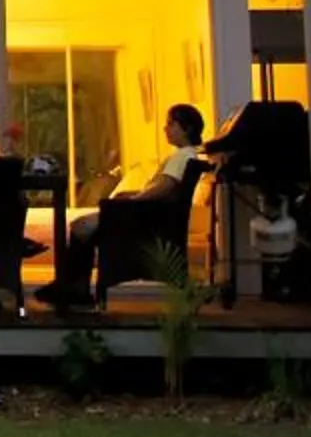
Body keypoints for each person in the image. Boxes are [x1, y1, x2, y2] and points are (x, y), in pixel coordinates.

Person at [39, 103, 205, 307]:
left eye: (171, 124)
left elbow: (164, 187)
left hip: (143, 220)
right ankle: (72, 288)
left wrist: (133, 200)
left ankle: (71, 289)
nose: (165, 129)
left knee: (80, 226)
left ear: (187, 128)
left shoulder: (183, 156)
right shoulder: (186, 156)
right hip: (147, 215)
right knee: (83, 226)